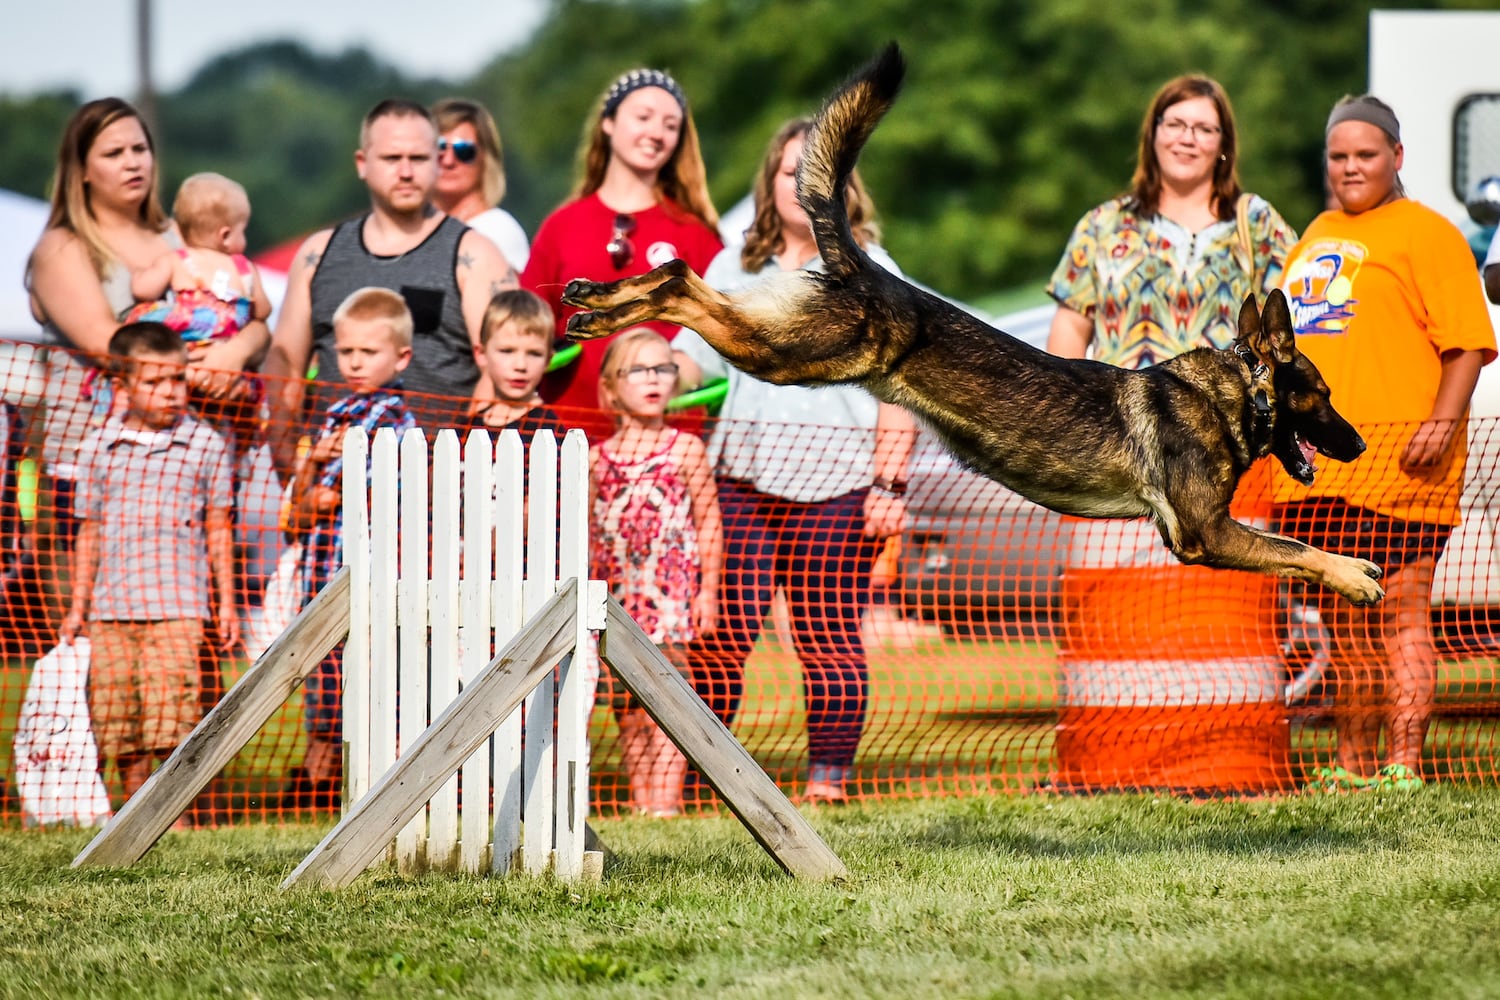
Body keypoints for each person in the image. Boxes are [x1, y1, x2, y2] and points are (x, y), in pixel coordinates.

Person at [672, 118, 916, 804]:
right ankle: (703, 779)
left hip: (841, 485)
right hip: (741, 479)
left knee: (828, 635)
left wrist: (889, 483)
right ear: (770, 183)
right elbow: (693, 357)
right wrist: (663, 369)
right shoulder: (732, 269)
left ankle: (828, 780)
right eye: (790, 171)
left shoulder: (875, 271)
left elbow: (899, 390)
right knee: (723, 632)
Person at [1275, 95, 1496, 792]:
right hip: (1321, 474)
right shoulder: (1315, 232)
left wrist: (1440, 424)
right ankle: (1351, 765)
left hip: (1403, 464)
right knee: (1344, 629)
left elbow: (1467, 344)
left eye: (1365, 155)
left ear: (1396, 158)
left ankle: (1402, 765)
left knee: (1401, 615)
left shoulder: (1428, 234)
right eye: (1338, 157)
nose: (1350, 168)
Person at [25, 99, 267, 621]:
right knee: (101, 640)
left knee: (191, 640)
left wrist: (236, 351)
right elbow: (110, 343)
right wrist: (202, 367)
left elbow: (253, 315)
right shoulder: (62, 249)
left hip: (187, 463)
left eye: (141, 148)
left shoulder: (181, 239)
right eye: (114, 152)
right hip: (93, 471)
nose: (133, 162)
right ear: (81, 170)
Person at [263, 98, 516, 474]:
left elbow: (504, 370)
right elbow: (284, 365)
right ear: (362, 164)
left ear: (435, 161)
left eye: (417, 158)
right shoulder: (319, 254)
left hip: (439, 496)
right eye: (391, 158)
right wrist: (292, 471)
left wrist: (462, 473)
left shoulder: (476, 255)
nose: (406, 171)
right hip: (335, 496)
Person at [58, 321, 238, 801]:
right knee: (119, 722)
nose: (170, 392)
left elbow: (220, 527)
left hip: (180, 608)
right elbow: (88, 530)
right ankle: (130, 816)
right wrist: (78, 605)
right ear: (122, 386)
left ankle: (173, 816)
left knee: (172, 720)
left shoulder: (205, 444)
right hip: (110, 611)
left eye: (177, 380)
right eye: (154, 382)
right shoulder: (98, 447)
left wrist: (226, 604)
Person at [1046, 74, 1297, 367]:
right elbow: (1070, 333)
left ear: (1223, 145)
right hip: (1121, 412)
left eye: (1204, 129)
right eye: (1175, 125)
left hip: (1223, 412)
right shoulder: (1103, 225)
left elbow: (1295, 323)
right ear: (1154, 134)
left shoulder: (1257, 224)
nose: (1187, 139)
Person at [521, 66, 722, 423]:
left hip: (666, 446)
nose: (656, 133)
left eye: (671, 126)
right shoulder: (561, 225)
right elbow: (525, 324)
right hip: (572, 437)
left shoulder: (695, 234)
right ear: (608, 123)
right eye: (643, 117)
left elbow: (722, 334)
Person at [286, 287, 419, 800]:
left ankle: (358, 784)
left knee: (367, 681)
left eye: (369, 352)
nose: (356, 362)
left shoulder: (389, 418)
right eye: (346, 352)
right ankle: (316, 780)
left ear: (401, 356)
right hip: (320, 570)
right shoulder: (336, 413)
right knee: (319, 678)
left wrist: (318, 482)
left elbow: (338, 492)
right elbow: (302, 500)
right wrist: (314, 468)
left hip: (365, 572)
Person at [591, 328, 721, 816]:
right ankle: (641, 797)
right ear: (610, 387)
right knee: (626, 700)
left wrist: (707, 591)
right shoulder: (596, 459)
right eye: (638, 370)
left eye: (663, 368)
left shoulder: (685, 448)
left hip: (670, 592)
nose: (654, 379)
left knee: (670, 690)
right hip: (618, 593)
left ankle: (666, 801)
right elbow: (585, 530)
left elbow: (708, 520)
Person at [127, 172, 272, 345]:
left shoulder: (175, 260)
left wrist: (138, 275)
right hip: (226, 350)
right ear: (225, 235)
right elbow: (263, 311)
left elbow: (144, 291)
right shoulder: (244, 268)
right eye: (243, 231)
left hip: (186, 349)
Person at [431, 98, 531, 273]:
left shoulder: (498, 230)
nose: (448, 161)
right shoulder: (410, 230)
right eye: (439, 147)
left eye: (464, 151)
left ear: (486, 160)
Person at [468, 289, 566, 448]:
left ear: (548, 360)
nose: (521, 366)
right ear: (481, 354)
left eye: (534, 354)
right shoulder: (465, 429)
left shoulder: (550, 434)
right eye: (507, 351)